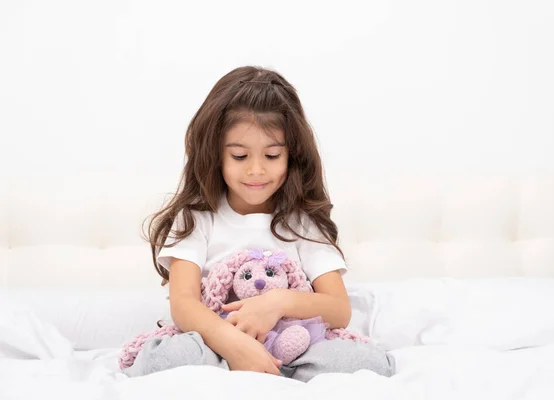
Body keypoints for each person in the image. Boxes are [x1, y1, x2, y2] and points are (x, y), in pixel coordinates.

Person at [124, 66, 395, 382]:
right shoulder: (198, 217)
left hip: (292, 343)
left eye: (272, 155)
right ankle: (244, 367)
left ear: (291, 156)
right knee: (168, 358)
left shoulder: (301, 223)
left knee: (368, 365)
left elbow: (339, 309)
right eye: (240, 156)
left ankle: (269, 366)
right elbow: (183, 304)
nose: (256, 170)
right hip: (216, 342)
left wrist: (277, 303)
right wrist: (231, 342)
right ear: (216, 155)